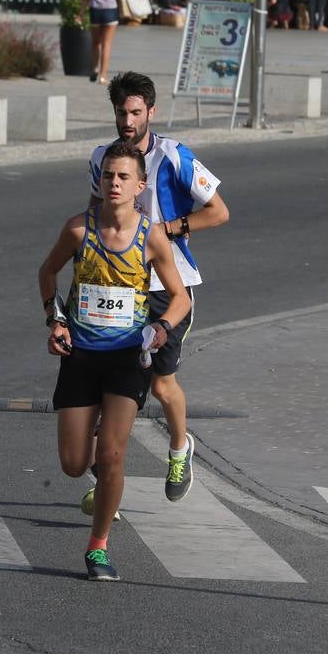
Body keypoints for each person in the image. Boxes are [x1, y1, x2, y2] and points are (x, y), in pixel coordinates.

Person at [38, 140, 192, 582]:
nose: (114, 184)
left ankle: (98, 547)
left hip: (128, 356)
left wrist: (161, 329)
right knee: (73, 462)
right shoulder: (77, 230)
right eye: (108, 176)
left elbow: (179, 297)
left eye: (124, 177)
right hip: (82, 356)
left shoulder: (152, 236)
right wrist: (55, 321)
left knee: (112, 455)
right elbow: (47, 272)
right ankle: (98, 455)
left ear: (140, 185)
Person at [83, 72, 230, 516]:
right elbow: (96, 212)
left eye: (135, 112)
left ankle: (180, 449)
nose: (127, 121)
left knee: (162, 383)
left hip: (168, 287)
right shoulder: (101, 159)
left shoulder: (174, 156)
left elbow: (219, 212)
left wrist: (165, 230)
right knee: (111, 384)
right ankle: (103, 480)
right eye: (120, 112)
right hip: (117, 287)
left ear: (151, 112)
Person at [81, 0, 124, 85]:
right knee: (107, 45)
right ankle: (103, 76)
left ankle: (94, 68)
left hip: (95, 11)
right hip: (110, 11)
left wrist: (80, 13)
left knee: (95, 43)